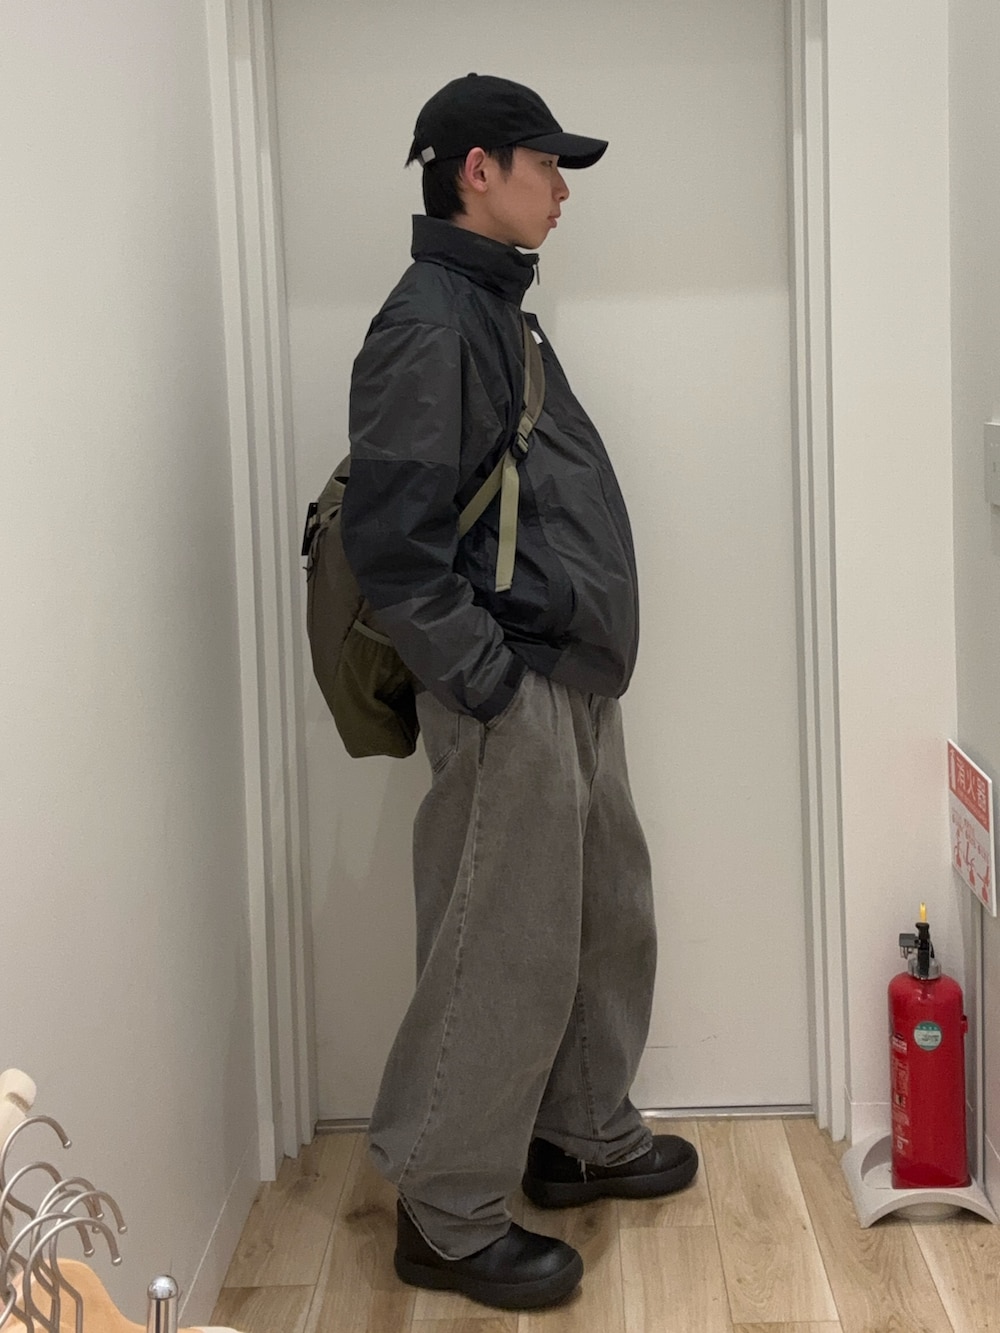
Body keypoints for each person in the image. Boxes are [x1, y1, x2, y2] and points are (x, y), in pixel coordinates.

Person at [340, 73, 699, 1312]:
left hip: (566, 672)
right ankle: (443, 1213)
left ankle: (579, 1133)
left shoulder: (491, 307)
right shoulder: (430, 321)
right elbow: (393, 547)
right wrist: (489, 684)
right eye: (545, 165)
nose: (561, 190)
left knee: (601, 913)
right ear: (475, 171)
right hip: (511, 681)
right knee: (501, 947)